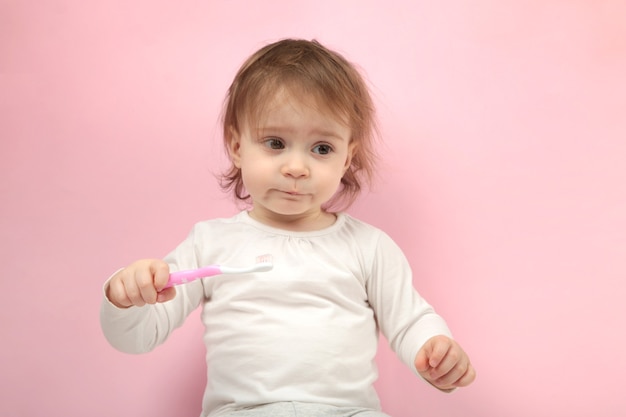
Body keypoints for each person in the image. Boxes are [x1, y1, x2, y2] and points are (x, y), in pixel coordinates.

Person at [100, 38, 476, 417]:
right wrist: (126, 296)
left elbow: (410, 319)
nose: (297, 167)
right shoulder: (210, 243)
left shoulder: (369, 247)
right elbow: (136, 337)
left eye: (322, 149)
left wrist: (434, 348)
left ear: (348, 157)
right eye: (275, 143)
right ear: (236, 146)